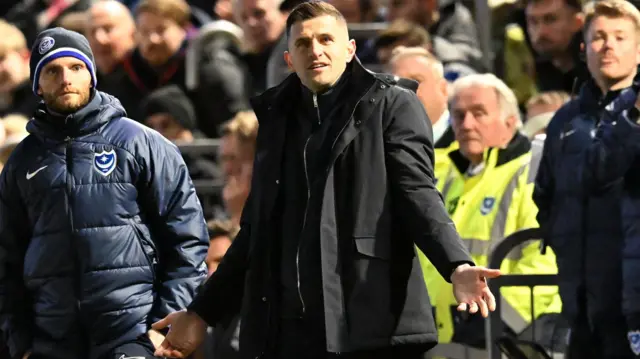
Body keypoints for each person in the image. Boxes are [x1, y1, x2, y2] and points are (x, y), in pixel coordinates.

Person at [152, 2, 501, 358]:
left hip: (370, 328)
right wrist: (201, 313)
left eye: (326, 39)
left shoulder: (391, 105)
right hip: (288, 332)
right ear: (289, 59)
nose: (315, 50)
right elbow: (256, 232)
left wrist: (456, 265)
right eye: (303, 44)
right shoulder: (275, 120)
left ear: (349, 50)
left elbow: (417, 194)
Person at [0, 27, 209, 359]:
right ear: (37, 85)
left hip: (133, 335)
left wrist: (164, 327)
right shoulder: (21, 162)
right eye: (52, 70)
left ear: (92, 76)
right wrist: (20, 343)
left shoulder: (144, 144)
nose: (65, 78)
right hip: (50, 341)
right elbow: (7, 259)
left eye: (76, 67)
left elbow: (187, 240)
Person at [533, 0, 640, 357]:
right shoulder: (565, 118)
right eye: (598, 37)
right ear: (583, 48)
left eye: (620, 37)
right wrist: (559, 236)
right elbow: (545, 192)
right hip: (579, 302)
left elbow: (603, 172)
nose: (608, 45)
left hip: (633, 303)